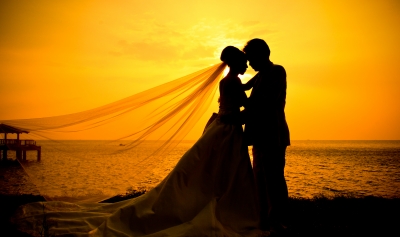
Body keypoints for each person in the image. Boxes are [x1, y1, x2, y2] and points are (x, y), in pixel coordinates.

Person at [13, 46, 265, 237]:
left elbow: (241, 95)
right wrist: (256, 100)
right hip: (227, 132)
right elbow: (242, 107)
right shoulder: (232, 82)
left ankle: (209, 200)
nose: (247, 66)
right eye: (244, 62)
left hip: (222, 130)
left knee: (207, 173)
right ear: (236, 62)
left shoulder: (229, 81)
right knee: (221, 174)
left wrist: (257, 81)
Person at [241, 38, 290, 233]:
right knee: (260, 179)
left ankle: (277, 221)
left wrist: (237, 112)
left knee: (274, 179)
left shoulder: (277, 71)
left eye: (251, 58)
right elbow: (245, 91)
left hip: (273, 133)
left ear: (262, 54)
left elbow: (266, 102)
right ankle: (263, 220)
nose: (250, 64)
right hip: (259, 135)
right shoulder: (260, 76)